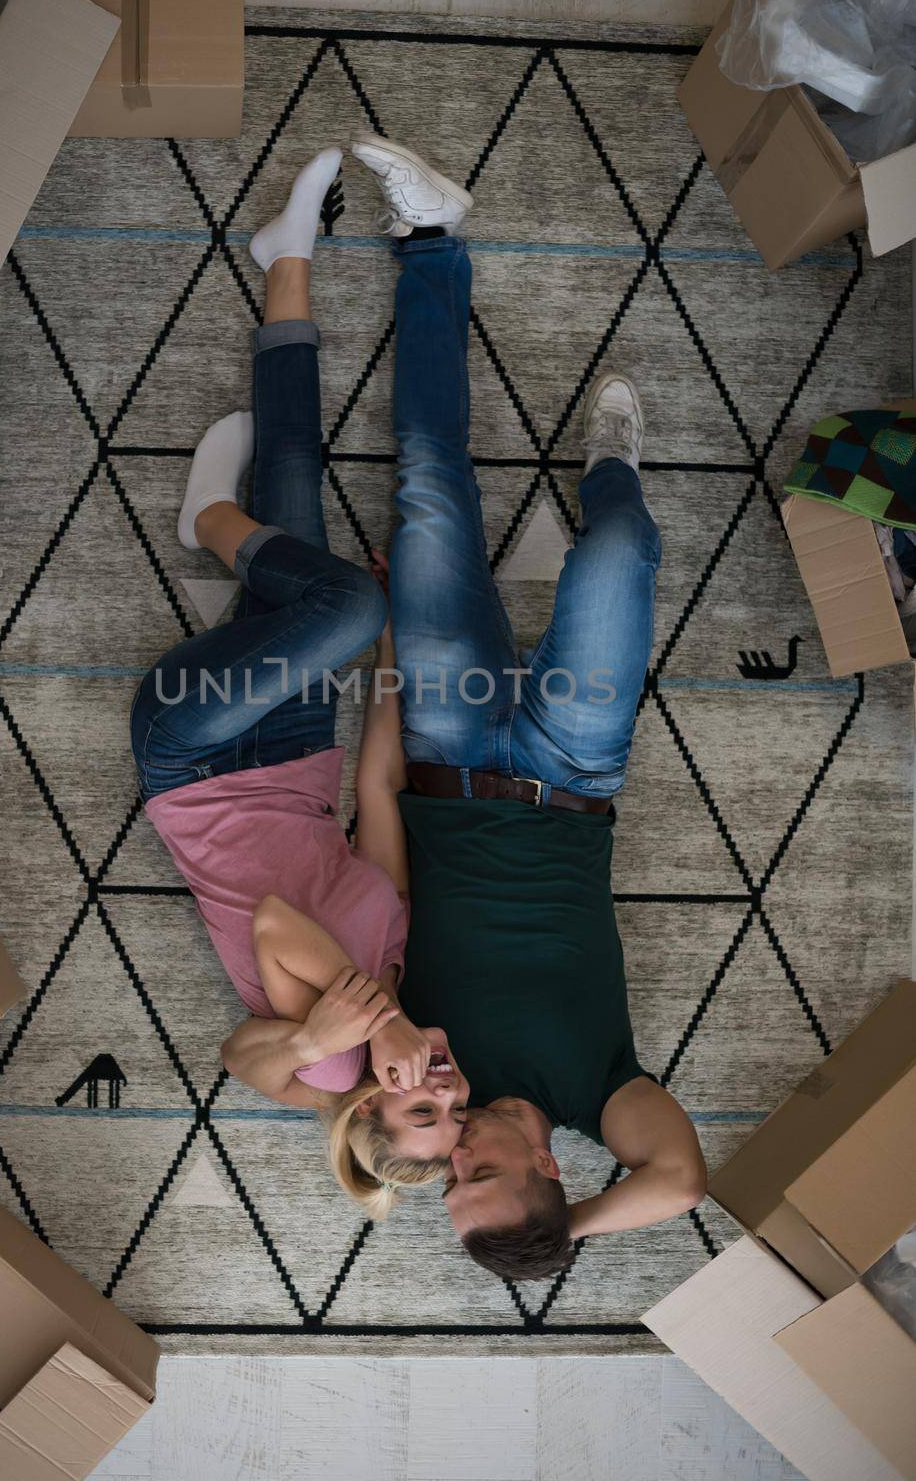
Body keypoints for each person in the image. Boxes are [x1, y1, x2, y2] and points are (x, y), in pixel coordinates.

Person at [347, 133, 708, 1277]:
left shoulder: (426, 1077)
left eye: (449, 1179)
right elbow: (682, 1182)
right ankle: (612, 471)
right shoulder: (604, 1098)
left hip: (446, 745)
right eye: (483, 1173)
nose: (458, 1158)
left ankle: (430, 239)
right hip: (575, 767)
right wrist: (566, 1237)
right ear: (550, 1169)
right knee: (612, 557)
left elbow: (389, 877)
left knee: (426, 489)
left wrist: (393, 681)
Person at [129, 148, 470, 1218]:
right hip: (298, 745)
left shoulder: (327, 1064)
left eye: (425, 1113)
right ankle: (288, 260)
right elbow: (373, 795)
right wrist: (379, 668)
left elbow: (275, 915)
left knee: (344, 594)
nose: (446, 1096)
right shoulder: (397, 961)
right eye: (457, 1110)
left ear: (370, 1111)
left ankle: (210, 528)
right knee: (298, 490)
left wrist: (354, 1032)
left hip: (191, 755)